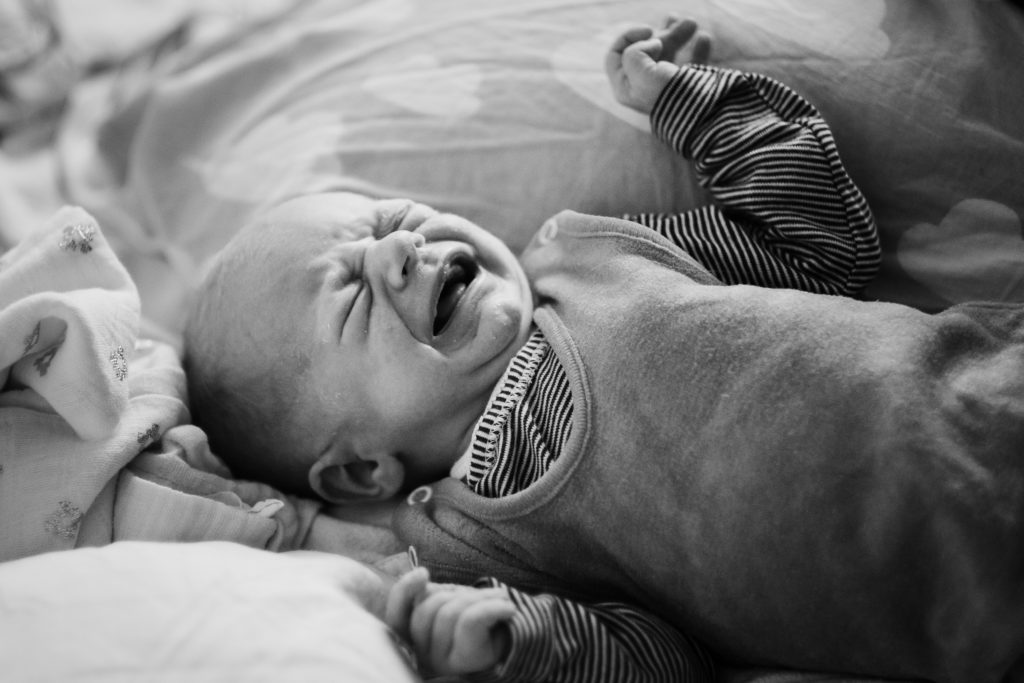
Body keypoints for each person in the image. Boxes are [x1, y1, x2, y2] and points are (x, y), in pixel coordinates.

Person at [184, 14, 1024, 683]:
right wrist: (516, 644)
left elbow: (821, 244)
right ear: (364, 472)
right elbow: (663, 660)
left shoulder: (594, 255)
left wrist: (693, 106)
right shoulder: (472, 544)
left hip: (989, 381)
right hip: (971, 607)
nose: (398, 250)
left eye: (389, 219)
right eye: (355, 294)